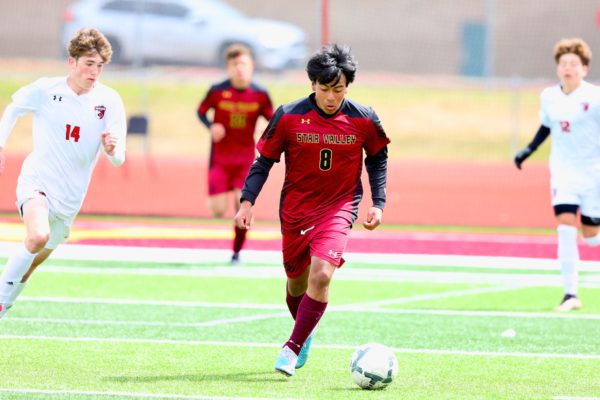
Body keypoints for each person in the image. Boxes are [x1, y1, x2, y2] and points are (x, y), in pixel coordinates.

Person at [234, 44, 390, 376]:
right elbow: (264, 162)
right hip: (296, 210)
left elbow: (378, 159)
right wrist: (247, 201)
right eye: (325, 89)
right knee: (296, 285)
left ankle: (291, 348)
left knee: (322, 275)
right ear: (313, 85)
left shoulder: (364, 118)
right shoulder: (288, 115)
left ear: (348, 86)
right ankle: (305, 331)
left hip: (339, 207)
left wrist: (378, 202)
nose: (332, 97)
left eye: (339, 89)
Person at [0, 28, 126, 319]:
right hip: (37, 181)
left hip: (70, 198)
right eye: (89, 64)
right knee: (37, 236)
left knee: (29, 265)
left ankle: (4, 307)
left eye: (100, 66)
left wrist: (111, 149)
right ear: (72, 62)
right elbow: (13, 109)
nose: (94, 72)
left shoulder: (109, 101)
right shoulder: (46, 90)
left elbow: (119, 158)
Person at [514, 37, 600, 312]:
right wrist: (528, 150)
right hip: (563, 173)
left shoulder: (595, 97)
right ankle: (570, 294)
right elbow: (546, 126)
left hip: (593, 174)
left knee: (591, 238)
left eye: (574, 63)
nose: (568, 68)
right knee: (565, 227)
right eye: (563, 63)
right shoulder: (549, 97)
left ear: (584, 68)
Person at [197, 44, 274, 265]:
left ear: (252, 66)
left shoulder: (260, 93)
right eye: (234, 64)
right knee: (218, 209)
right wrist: (211, 126)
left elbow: (274, 120)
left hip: (245, 161)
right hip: (220, 160)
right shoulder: (217, 91)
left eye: (243, 64)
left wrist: (265, 129)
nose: (239, 68)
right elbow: (201, 111)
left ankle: (237, 253)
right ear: (228, 67)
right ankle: (226, 194)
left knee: (243, 208)